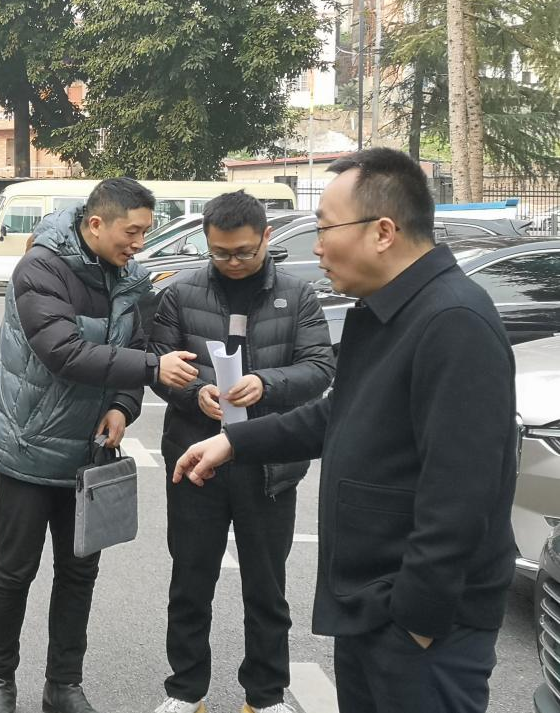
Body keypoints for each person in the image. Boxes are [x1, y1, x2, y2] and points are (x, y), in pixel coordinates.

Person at [173, 149, 517, 713]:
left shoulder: (453, 321)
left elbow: (462, 495)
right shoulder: (391, 311)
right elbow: (338, 414)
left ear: (382, 232)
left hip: (417, 627)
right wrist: (234, 441)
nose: (316, 247)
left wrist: (416, 622)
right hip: (372, 607)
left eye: (325, 228)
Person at [0, 178, 200, 713]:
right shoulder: (41, 269)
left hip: (88, 456)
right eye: (132, 232)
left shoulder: (131, 278)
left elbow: (134, 347)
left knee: (78, 574)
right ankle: (0, 683)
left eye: (145, 232)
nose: (139, 244)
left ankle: (64, 685)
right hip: (30, 448)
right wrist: (152, 369)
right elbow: (64, 352)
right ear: (96, 224)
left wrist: (122, 406)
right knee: (14, 571)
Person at [149, 191, 334, 713]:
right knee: (190, 581)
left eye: (245, 252)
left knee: (267, 587)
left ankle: (265, 695)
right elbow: (158, 364)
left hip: (269, 463)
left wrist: (266, 383)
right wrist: (194, 392)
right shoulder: (180, 294)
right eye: (220, 252)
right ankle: (186, 691)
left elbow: (320, 367)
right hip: (196, 459)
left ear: (267, 238)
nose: (233, 262)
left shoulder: (297, 295)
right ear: (206, 243)